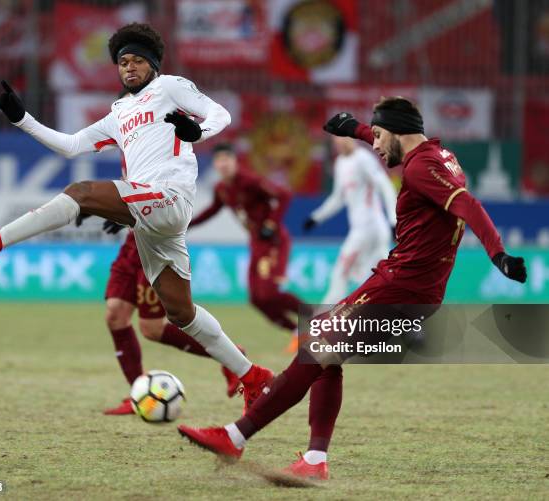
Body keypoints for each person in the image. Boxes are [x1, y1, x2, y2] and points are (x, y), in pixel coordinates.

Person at [177, 97, 527, 480]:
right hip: (414, 287)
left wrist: (499, 255)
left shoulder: (422, 167)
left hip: (401, 286)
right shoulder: (440, 155)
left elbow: (469, 205)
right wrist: (356, 129)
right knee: (326, 356)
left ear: (396, 131)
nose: (374, 145)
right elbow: (411, 155)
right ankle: (313, 461)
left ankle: (235, 436)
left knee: (316, 347)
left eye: (378, 136)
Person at [0, 22, 272, 412]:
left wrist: (198, 132)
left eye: (138, 60)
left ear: (154, 64)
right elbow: (72, 146)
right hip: (150, 216)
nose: (129, 67)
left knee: (81, 193)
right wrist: (23, 119)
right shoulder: (119, 111)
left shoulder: (169, 87)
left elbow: (219, 113)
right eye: (123, 62)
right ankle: (253, 375)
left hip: (170, 197)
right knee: (180, 314)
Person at [84, 219, 242, 415]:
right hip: (132, 246)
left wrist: (129, 215)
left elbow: (164, 201)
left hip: (155, 249)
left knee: (152, 329)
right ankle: (139, 394)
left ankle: (231, 356)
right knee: (115, 315)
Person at [189, 143, 305, 351]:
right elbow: (212, 210)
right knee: (256, 299)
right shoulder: (222, 189)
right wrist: (186, 225)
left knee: (268, 292)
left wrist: (271, 223)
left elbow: (284, 195)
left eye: (227, 159)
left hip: (273, 242)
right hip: (256, 243)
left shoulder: (250, 181)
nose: (223, 164)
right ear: (215, 164)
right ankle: (298, 331)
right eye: (219, 160)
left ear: (235, 161)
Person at [304, 136, 397, 304]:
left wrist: (393, 220)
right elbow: (338, 198)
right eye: (335, 141)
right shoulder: (341, 163)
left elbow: (385, 186)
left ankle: (324, 321)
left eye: (342, 139)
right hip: (364, 232)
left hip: (371, 229)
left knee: (341, 274)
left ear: (351, 139)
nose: (339, 144)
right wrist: (316, 218)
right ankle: (402, 325)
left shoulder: (363, 158)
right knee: (377, 283)